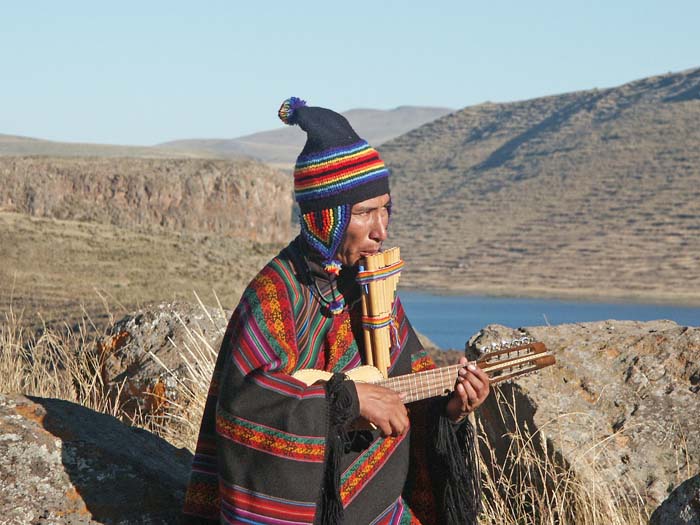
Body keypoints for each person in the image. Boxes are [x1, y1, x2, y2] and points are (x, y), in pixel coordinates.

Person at [182, 97, 490, 525]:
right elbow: (246, 408)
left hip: (383, 510)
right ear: (327, 217)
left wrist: (451, 408)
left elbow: (405, 390)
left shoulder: (371, 287)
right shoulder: (275, 295)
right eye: (364, 212)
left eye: (385, 208)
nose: (381, 229)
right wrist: (346, 401)